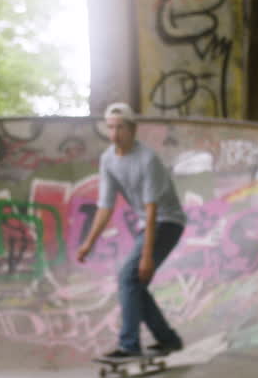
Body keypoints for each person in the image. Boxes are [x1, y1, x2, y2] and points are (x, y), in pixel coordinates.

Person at [77, 102, 186, 360]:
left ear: (133, 130)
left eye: (121, 128)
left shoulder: (147, 160)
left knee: (128, 278)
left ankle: (129, 346)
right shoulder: (108, 159)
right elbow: (105, 206)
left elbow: (152, 209)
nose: (115, 134)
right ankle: (168, 340)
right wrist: (88, 243)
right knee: (133, 283)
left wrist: (147, 257)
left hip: (167, 222)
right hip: (147, 224)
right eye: (111, 128)